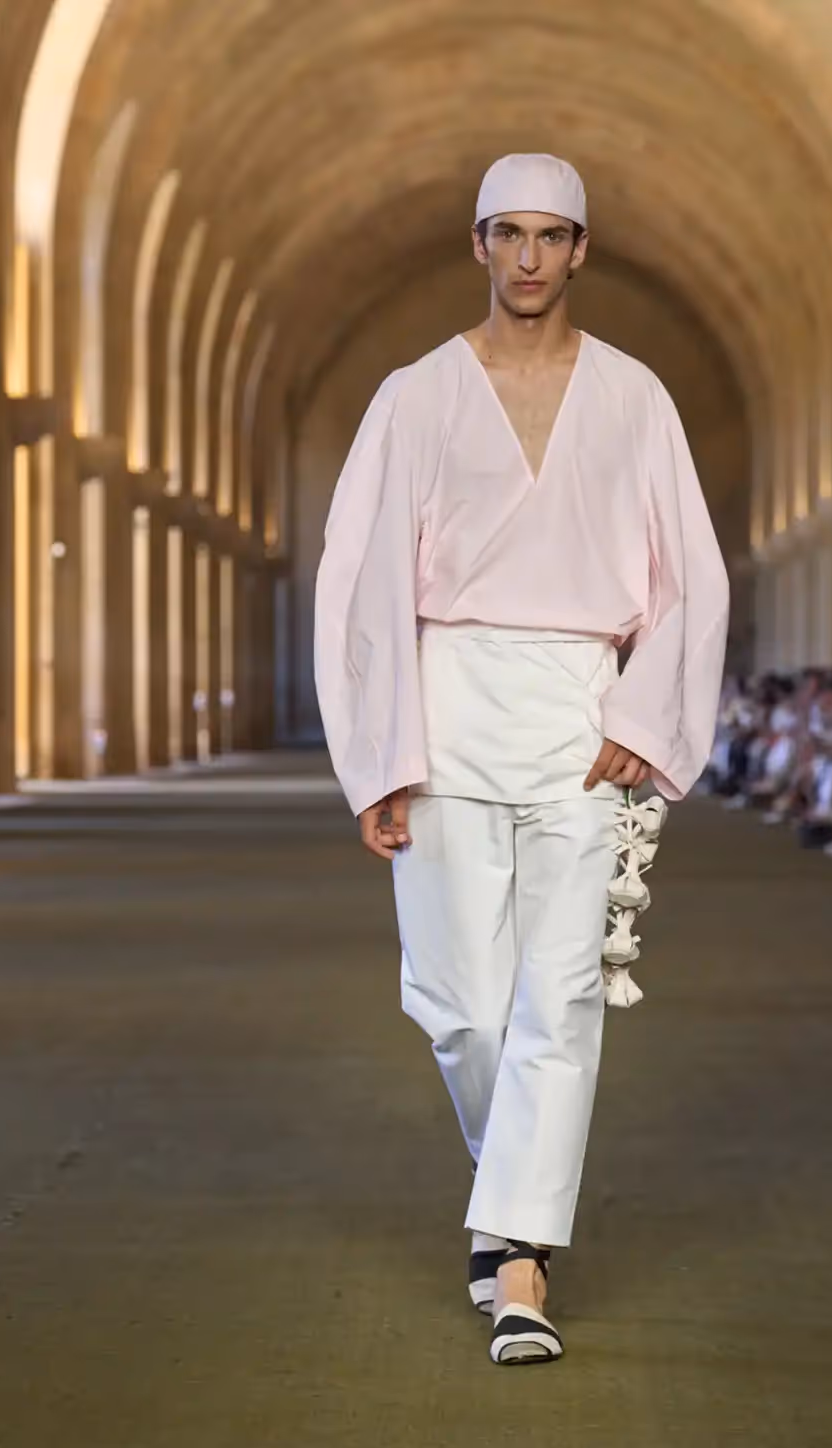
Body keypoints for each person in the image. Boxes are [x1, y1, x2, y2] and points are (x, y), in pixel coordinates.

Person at [313, 153, 730, 1366]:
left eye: (553, 235)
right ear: (479, 244)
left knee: (562, 992)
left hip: (579, 713)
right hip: (444, 703)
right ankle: (514, 1202)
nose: (531, 256)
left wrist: (642, 715)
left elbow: (691, 573)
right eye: (510, 233)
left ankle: (518, 1264)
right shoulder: (414, 395)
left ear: (581, 249)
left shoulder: (636, 397)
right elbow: (357, 576)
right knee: (457, 1005)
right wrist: (377, 753)